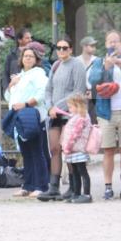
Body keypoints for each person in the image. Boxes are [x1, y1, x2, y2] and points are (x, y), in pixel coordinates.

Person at [87, 30, 121, 200]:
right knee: (108, 150)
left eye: (116, 41)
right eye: (109, 41)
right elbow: (93, 81)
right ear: (106, 44)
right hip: (106, 113)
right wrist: (105, 67)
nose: (112, 44)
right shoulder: (99, 62)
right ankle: (108, 186)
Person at [40, 36, 87, 200]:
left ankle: (74, 187)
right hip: (54, 113)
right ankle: (53, 186)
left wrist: (60, 107)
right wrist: (50, 107)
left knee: (69, 150)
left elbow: (78, 91)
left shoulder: (77, 65)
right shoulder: (56, 65)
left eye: (64, 48)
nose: (61, 51)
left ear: (71, 49)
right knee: (54, 149)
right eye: (58, 48)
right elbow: (48, 89)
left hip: (70, 114)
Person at [4, 47, 50, 198]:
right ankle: (28, 185)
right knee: (26, 153)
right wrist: (11, 85)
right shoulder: (20, 76)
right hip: (18, 118)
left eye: (31, 56)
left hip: (32, 116)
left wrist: (26, 104)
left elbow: (43, 93)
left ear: (36, 60)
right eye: (25, 56)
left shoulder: (39, 74)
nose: (28, 58)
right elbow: (8, 97)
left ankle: (41, 185)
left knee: (37, 152)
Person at [58, 94, 93, 203]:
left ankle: (87, 194)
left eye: (71, 106)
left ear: (78, 106)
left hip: (78, 149)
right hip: (72, 151)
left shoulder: (81, 118)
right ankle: (76, 193)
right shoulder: (75, 116)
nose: (69, 109)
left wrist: (66, 147)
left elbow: (75, 134)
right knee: (75, 172)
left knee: (82, 172)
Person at [3, 28, 33, 93]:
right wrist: (6, 90)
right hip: (14, 91)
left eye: (30, 38)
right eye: (27, 38)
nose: (30, 40)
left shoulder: (34, 55)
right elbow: (6, 74)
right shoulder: (11, 56)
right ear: (20, 40)